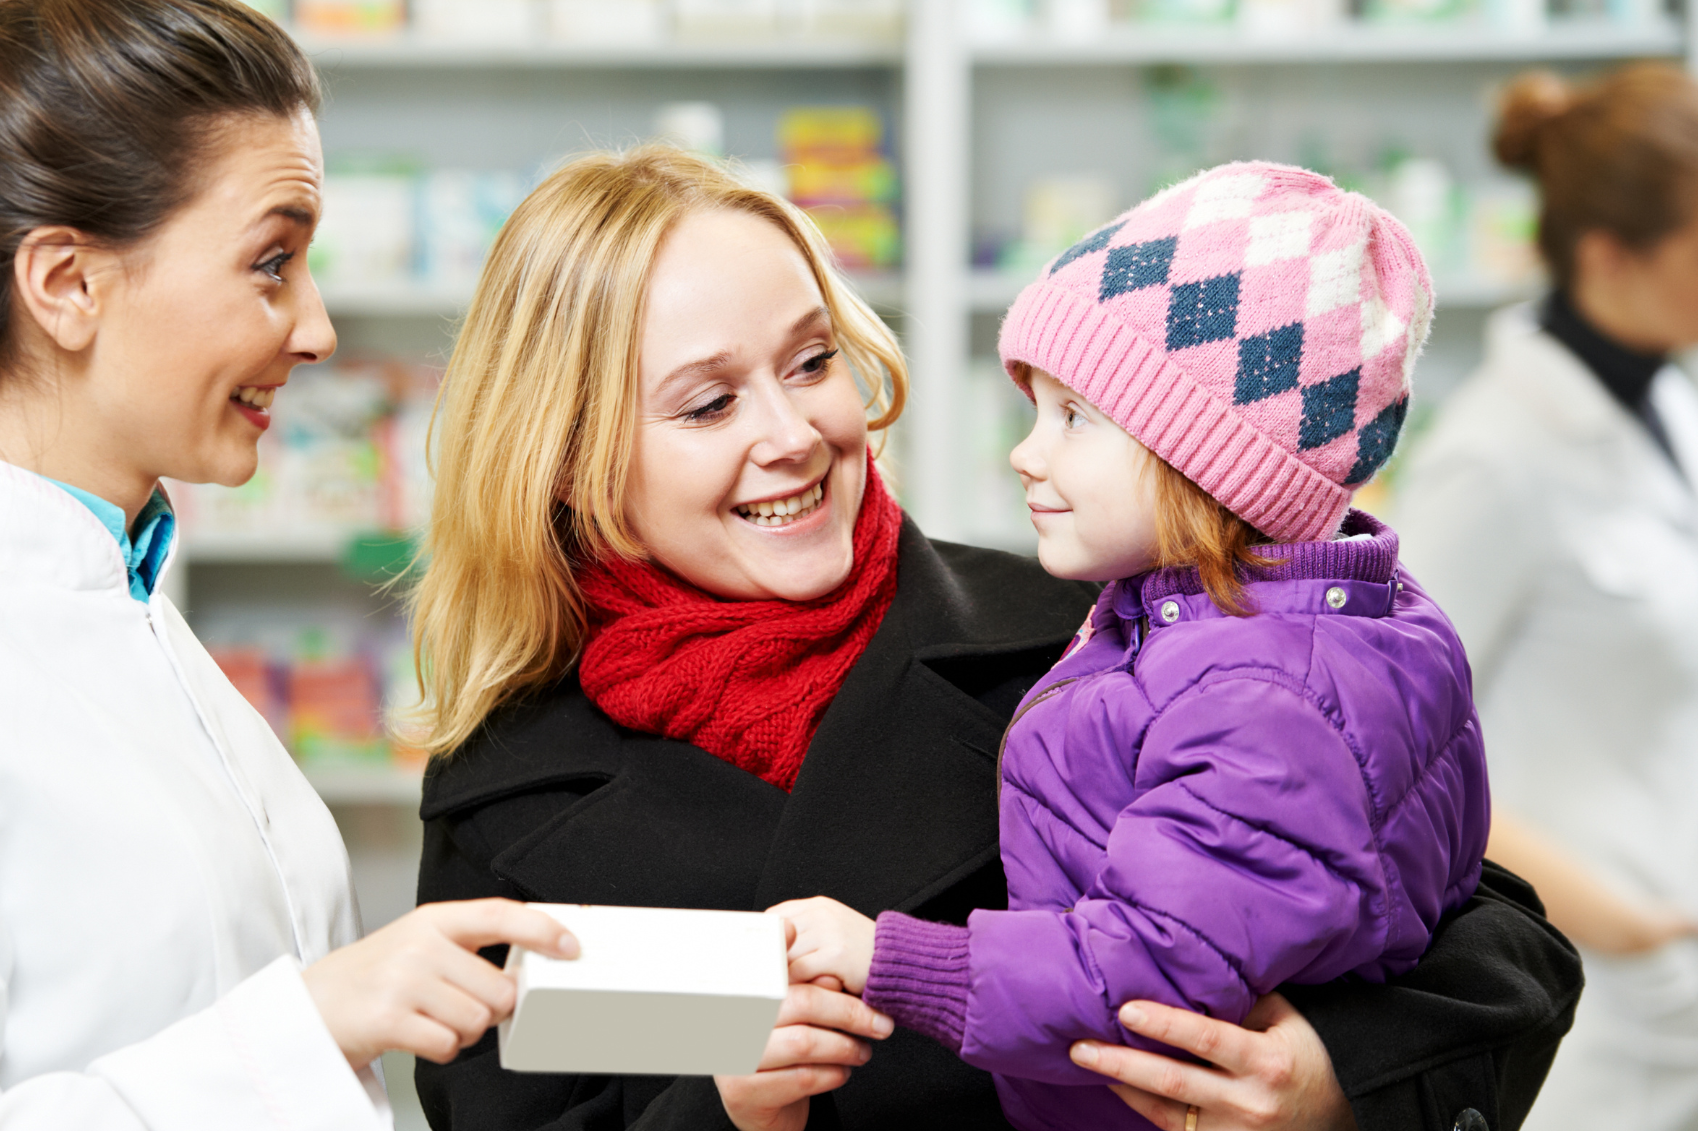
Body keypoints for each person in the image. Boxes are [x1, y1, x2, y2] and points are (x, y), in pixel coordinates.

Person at [409, 144, 1580, 1131]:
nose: (799, 432)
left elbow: (1490, 940)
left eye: (814, 362)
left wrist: (1334, 1087)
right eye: (709, 403)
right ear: (563, 459)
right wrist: (720, 1109)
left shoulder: (1090, 633)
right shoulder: (508, 791)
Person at [774, 161, 1491, 1131]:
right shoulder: (1283, 626)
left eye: (1075, 418)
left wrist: (887, 960)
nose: (1028, 453)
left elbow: (1157, 971)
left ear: (1212, 460)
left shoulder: (1257, 694)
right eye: (1036, 411)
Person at [0, 2, 581, 1126]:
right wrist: (311, 1025)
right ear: (68, 284)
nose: (314, 329)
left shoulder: (133, 612)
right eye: (271, 262)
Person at [1393, 63, 1698, 1131]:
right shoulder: (1495, 459)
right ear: (1614, 255)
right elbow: (1394, 748)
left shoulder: (1669, 405)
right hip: (1594, 1002)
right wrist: (1625, 922)